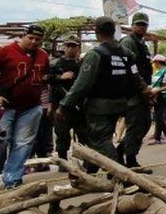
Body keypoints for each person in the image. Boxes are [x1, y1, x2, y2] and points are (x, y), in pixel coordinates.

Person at [57, 17, 138, 172]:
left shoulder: (96, 54)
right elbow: (135, 78)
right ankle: (91, 170)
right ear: (114, 32)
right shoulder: (127, 54)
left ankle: (119, 173)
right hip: (120, 103)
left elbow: (81, 84)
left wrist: (64, 105)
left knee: (100, 140)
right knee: (98, 139)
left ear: (96, 33)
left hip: (99, 106)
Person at [0, 24, 50, 188]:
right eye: (30, 38)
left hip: (31, 107)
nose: (33, 42)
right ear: (23, 36)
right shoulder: (4, 51)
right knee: (0, 142)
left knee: (23, 143)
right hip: (6, 107)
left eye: (37, 39)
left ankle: (12, 179)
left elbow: (45, 76)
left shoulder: (42, 55)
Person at [119, 12, 154, 169]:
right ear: (132, 26)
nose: (141, 27)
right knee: (136, 125)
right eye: (138, 24)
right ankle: (130, 160)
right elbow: (131, 69)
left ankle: (121, 151)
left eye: (144, 25)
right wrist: (143, 87)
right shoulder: (128, 42)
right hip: (133, 92)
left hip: (143, 91)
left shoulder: (142, 44)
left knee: (145, 124)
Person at [46, 37, 82, 160]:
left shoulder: (82, 64)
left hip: (79, 105)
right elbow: (46, 79)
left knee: (83, 134)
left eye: (74, 46)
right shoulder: (56, 63)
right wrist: (60, 77)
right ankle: (62, 160)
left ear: (78, 48)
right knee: (62, 135)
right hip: (60, 105)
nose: (70, 49)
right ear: (64, 47)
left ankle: (87, 161)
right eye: (68, 46)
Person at [149, 54, 166, 144]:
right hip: (156, 97)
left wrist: (157, 91)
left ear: (158, 62)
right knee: (157, 117)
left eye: (154, 62)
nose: (154, 64)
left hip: (162, 96)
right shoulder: (157, 72)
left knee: (158, 117)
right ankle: (158, 138)